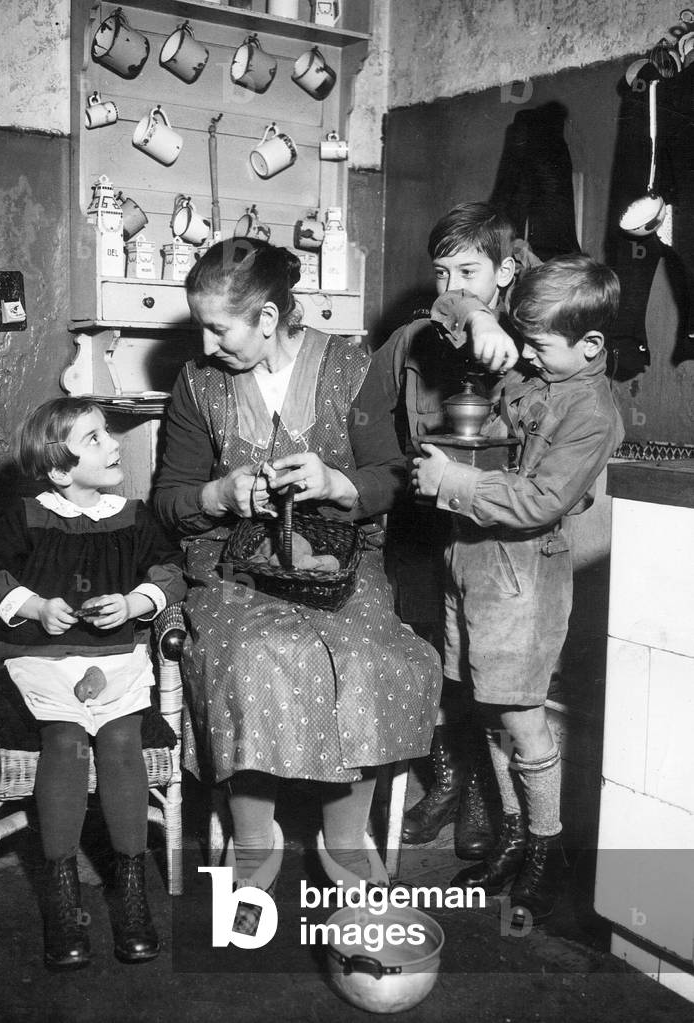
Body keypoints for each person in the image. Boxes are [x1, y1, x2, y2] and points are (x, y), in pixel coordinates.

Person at [154, 238, 442, 923]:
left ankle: (344, 843)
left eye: (218, 328)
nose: (205, 343)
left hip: (341, 562)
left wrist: (337, 482)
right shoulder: (198, 384)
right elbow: (167, 498)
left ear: (267, 318)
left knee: (367, 657)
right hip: (234, 567)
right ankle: (255, 846)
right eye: (201, 327)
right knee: (252, 655)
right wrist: (219, 494)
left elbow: (392, 475)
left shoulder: (350, 367)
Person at [413, 254, 625, 926]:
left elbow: (539, 500)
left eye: (538, 345)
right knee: (485, 708)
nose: (525, 355)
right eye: (522, 341)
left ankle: (544, 850)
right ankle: (511, 835)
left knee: (523, 721)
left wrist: (452, 482)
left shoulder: (591, 411)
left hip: (523, 577)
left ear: (589, 344)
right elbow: (443, 308)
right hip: (468, 559)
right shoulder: (538, 365)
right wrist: (479, 317)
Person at [0, 397, 187, 969]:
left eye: (107, 432)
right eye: (95, 438)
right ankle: (63, 898)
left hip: (114, 658)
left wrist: (136, 602)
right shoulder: (27, 517)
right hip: (43, 660)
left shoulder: (133, 516)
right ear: (60, 470)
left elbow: (172, 572)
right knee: (64, 741)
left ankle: (130, 891)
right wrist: (36, 606)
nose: (114, 444)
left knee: (120, 739)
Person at [371, 202, 532, 858]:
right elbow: (367, 422)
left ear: (506, 271)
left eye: (468, 270)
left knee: (477, 666)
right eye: (441, 272)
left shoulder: (532, 341)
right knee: (422, 654)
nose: (451, 285)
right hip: (421, 525)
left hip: (491, 533)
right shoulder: (418, 337)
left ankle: (478, 794)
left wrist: (486, 322)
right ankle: (443, 779)